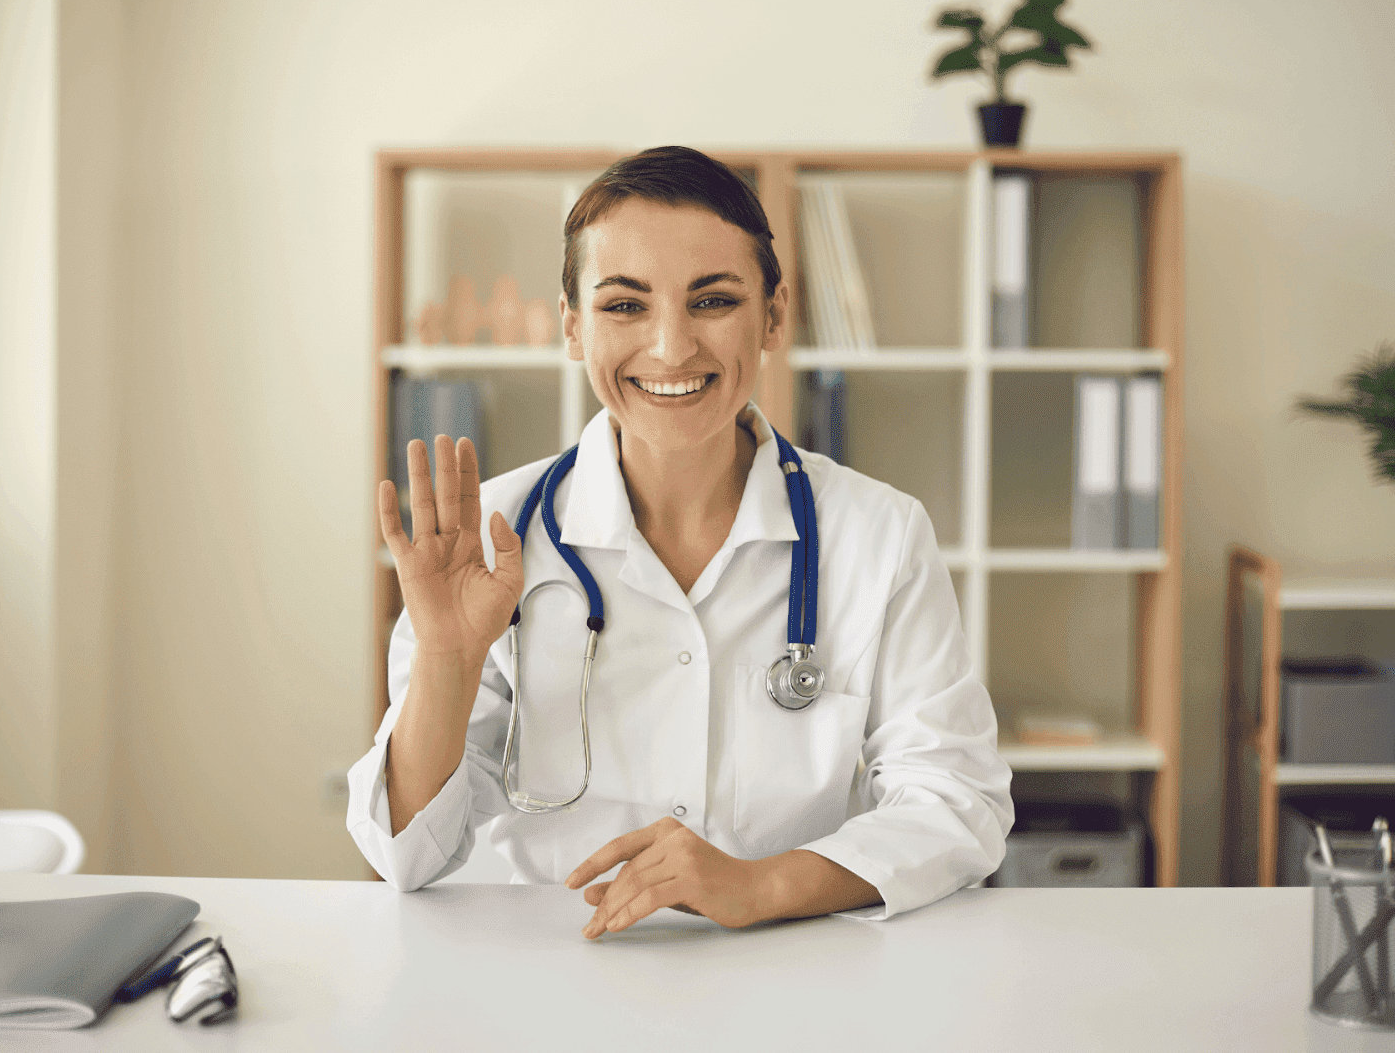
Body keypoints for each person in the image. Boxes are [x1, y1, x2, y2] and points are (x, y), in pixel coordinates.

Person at [347, 146, 1012, 935]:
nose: (670, 348)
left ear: (772, 315)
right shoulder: (487, 539)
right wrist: (448, 664)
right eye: (625, 305)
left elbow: (957, 802)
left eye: (713, 301)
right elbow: (407, 857)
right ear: (571, 325)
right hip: (554, 982)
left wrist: (760, 885)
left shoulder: (879, 534)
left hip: (795, 979)